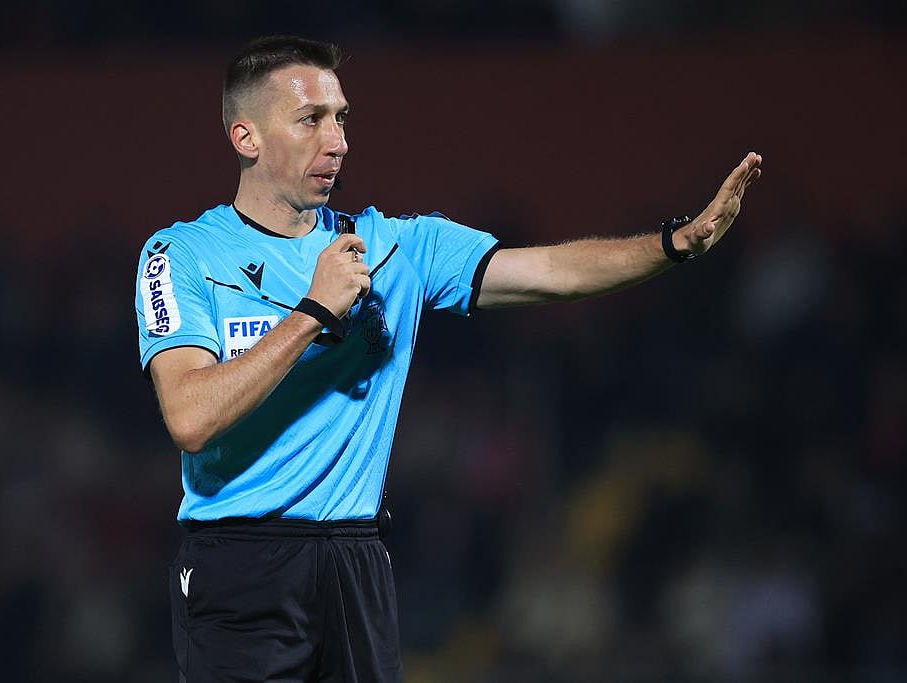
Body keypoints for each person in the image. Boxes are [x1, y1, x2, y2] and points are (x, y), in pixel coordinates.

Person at [134, 35, 762, 683]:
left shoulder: (394, 247)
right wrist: (313, 312)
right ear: (246, 137)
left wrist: (675, 243)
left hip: (356, 558)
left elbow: (551, 271)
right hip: (240, 561)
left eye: (342, 118)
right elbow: (190, 417)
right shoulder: (182, 255)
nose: (338, 140)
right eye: (310, 119)